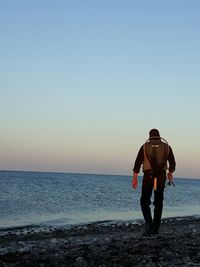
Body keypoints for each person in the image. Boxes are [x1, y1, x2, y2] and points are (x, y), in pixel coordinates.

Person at [132, 129, 176, 236]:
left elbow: (137, 163)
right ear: (159, 136)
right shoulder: (167, 147)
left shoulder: (144, 146)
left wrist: (135, 178)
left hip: (148, 178)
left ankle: (149, 226)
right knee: (158, 203)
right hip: (160, 178)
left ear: (150, 136)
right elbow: (173, 163)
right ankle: (156, 229)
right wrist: (170, 173)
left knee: (144, 201)